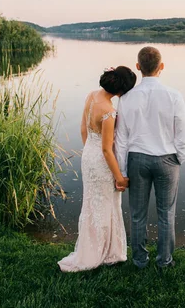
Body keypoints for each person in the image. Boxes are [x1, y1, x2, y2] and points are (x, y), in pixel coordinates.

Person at [115, 46, 185, 269]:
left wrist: (122, 171)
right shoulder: (174, 95)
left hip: (137, 160)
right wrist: (179, 158)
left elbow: (121, 138)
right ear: (162, 67)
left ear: (138, 67)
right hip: (167, 159)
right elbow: (182, 133)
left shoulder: (126, 98)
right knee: (166, 213)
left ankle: (139, 261)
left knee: (137, 214)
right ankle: (164, 261)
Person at [58, 66, 137, 272]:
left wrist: (88, 152)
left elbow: (83, 129)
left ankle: (98, 248)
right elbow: (107, 149)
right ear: (120, 91)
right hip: (102, 161)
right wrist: (119, 177)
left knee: (93, 204)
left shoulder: (92, 96)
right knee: (105, 205)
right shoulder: (109, 112)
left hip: (88, 156)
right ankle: (104, 252)